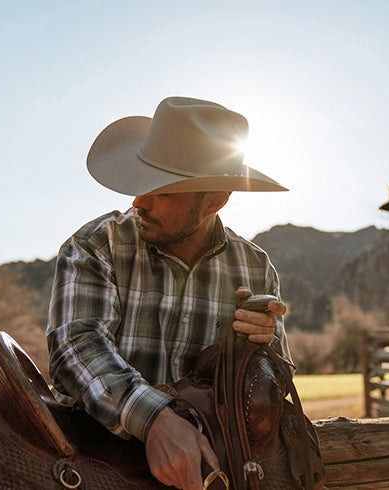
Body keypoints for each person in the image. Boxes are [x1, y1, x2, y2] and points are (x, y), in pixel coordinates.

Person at [47, 96, 292, 490]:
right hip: (93, 456)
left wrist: (259, 352)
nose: (138, 200)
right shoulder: (96, 245)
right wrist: (155, 417)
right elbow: (76, 345)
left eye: (159, 190)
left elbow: (276, 388)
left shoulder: (255, 267)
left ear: (214, 200)